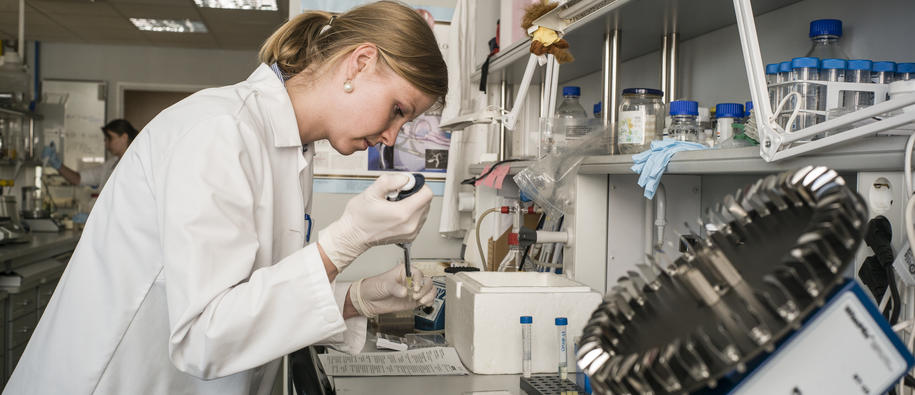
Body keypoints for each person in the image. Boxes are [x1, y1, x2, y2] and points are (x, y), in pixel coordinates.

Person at [5, 2, 447, 394]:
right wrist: (348, 239)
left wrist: (360, 298)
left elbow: (252, 302)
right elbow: (206, 334)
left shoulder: (293, 151)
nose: (392, 137)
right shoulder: (217, 131)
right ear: (360, 63)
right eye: (398, 110)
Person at [41, 119, 139, 189]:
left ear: (124, 137)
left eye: (109, 138)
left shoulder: (136, 165)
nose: (106, 142)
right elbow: (79, 179)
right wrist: (58, 165)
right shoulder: (111, 165)